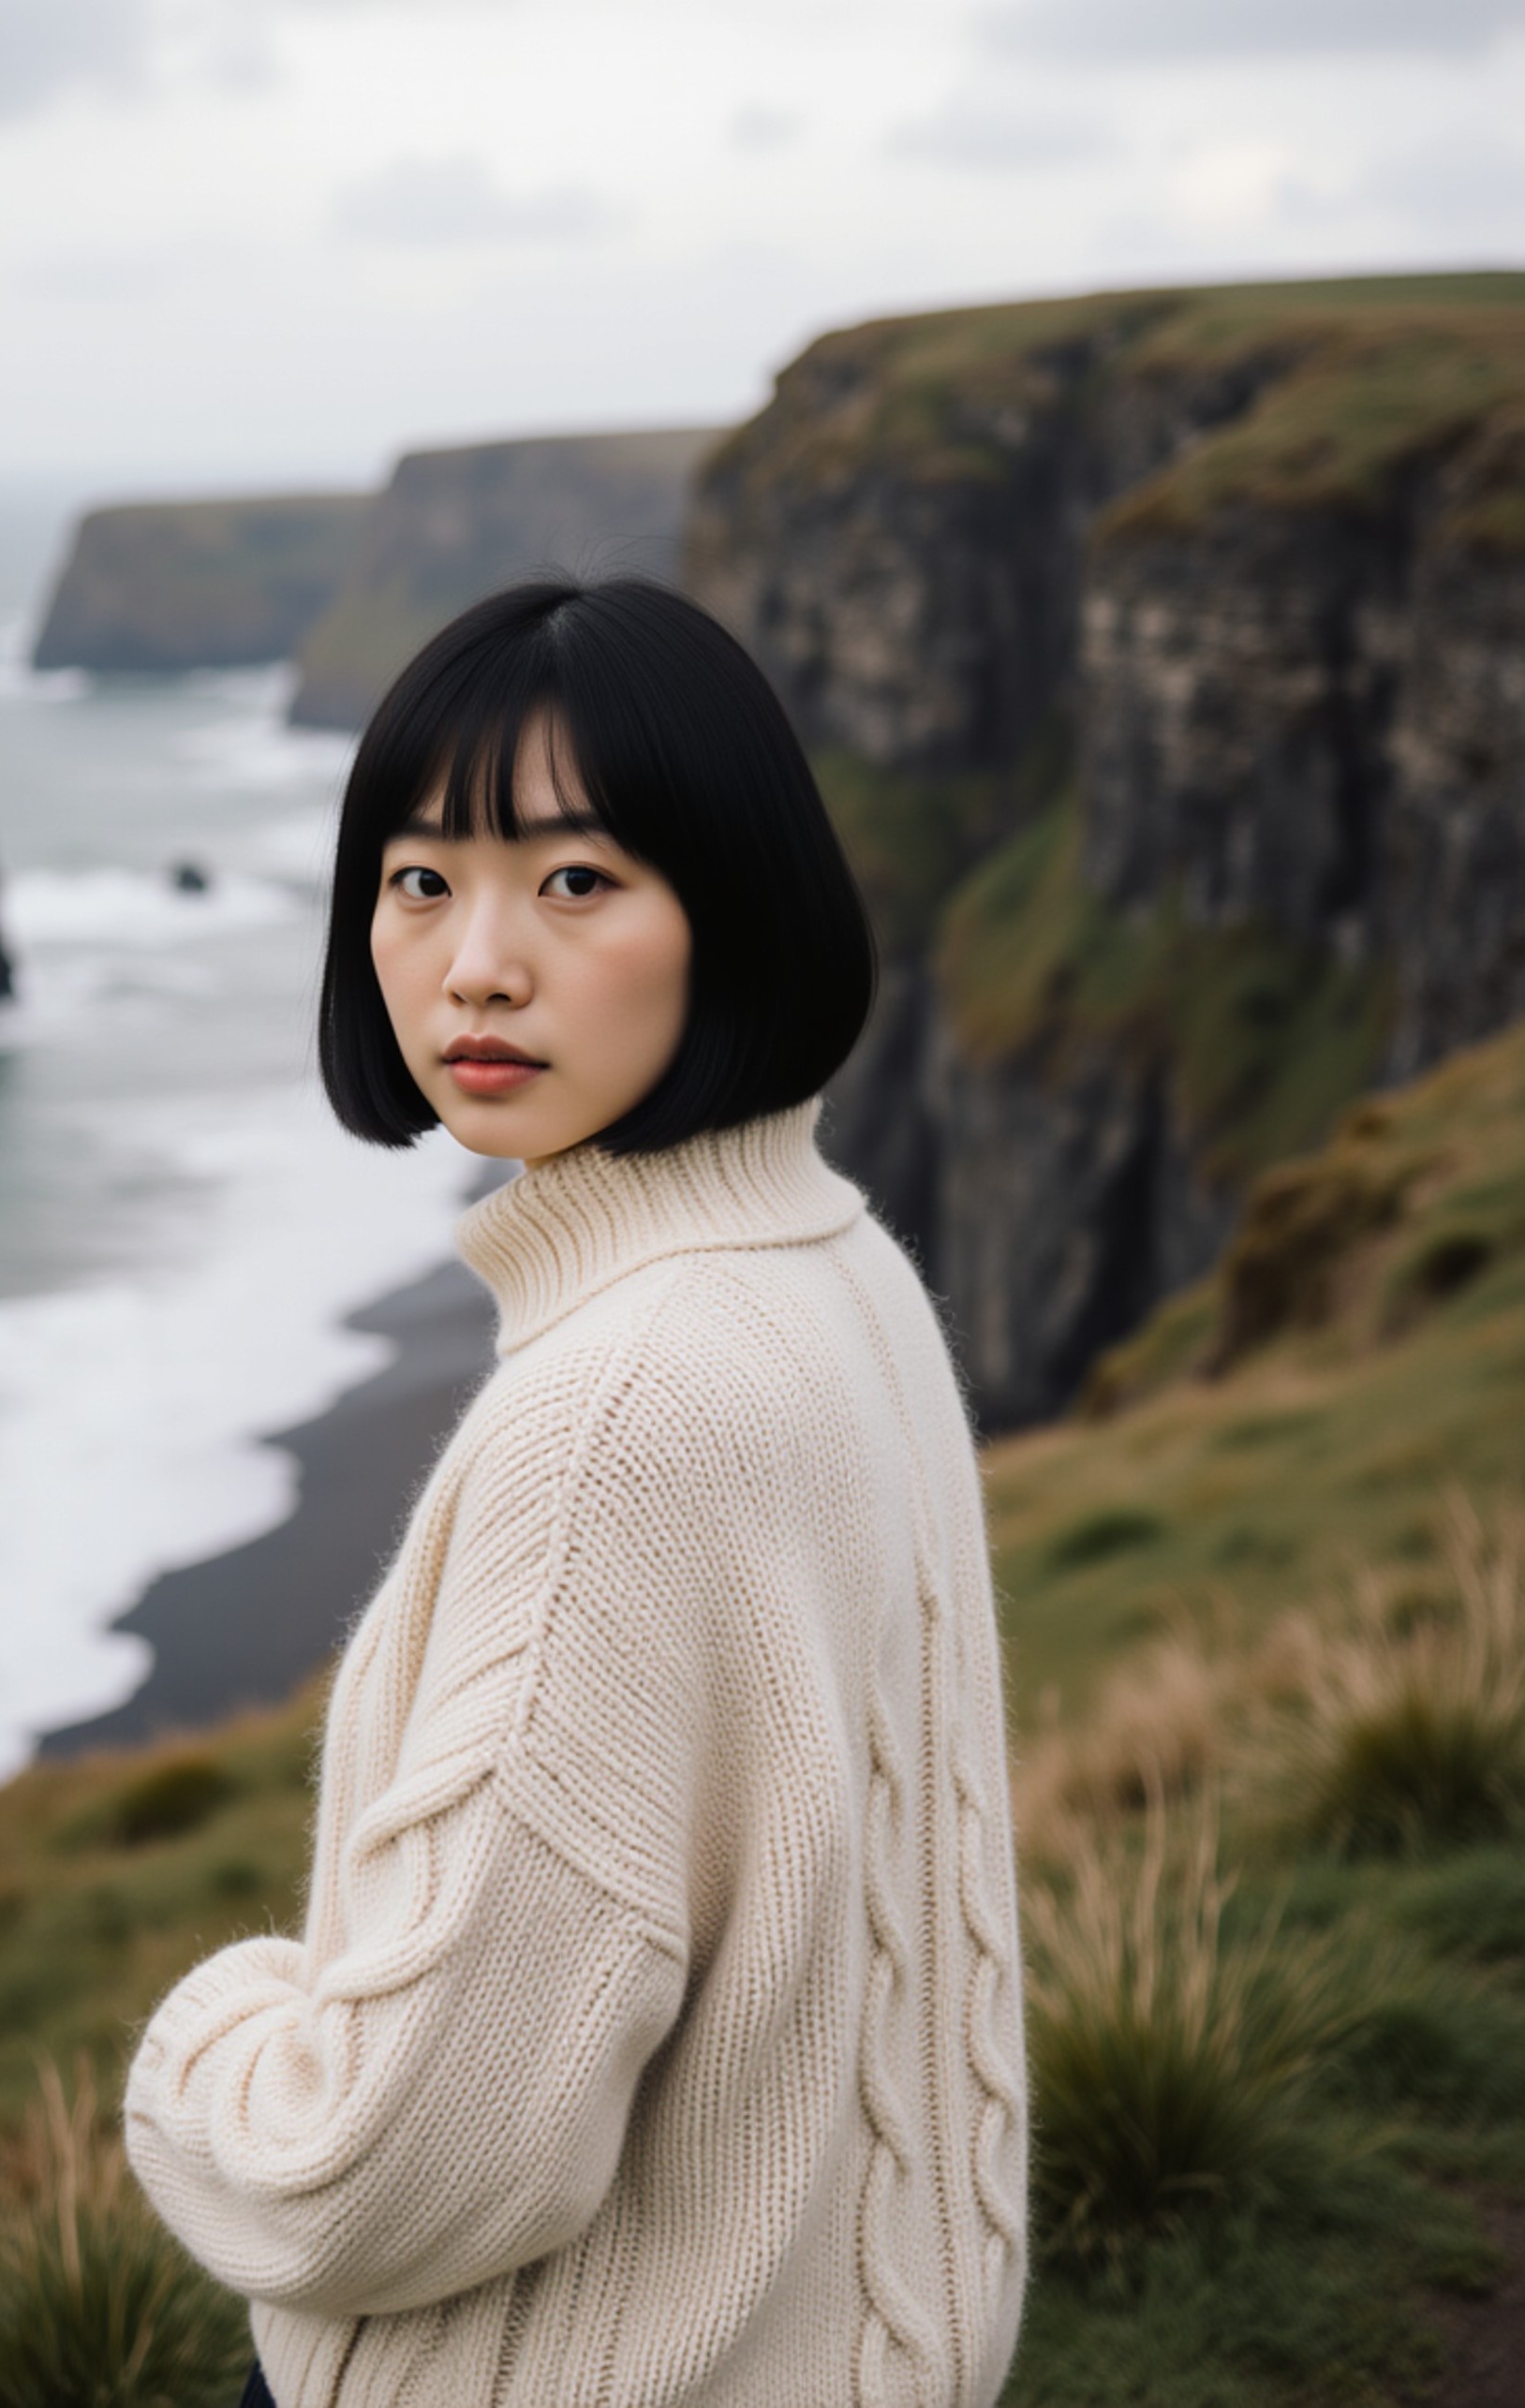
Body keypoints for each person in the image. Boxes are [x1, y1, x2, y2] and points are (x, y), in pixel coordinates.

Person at [124, 580, 1028, 2408]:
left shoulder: (616, 1417)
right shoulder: (835, 1261)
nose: (474, 963)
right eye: (419, 879)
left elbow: (374, 2172)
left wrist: (205, 2039)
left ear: (733, 906)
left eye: (576, 879)